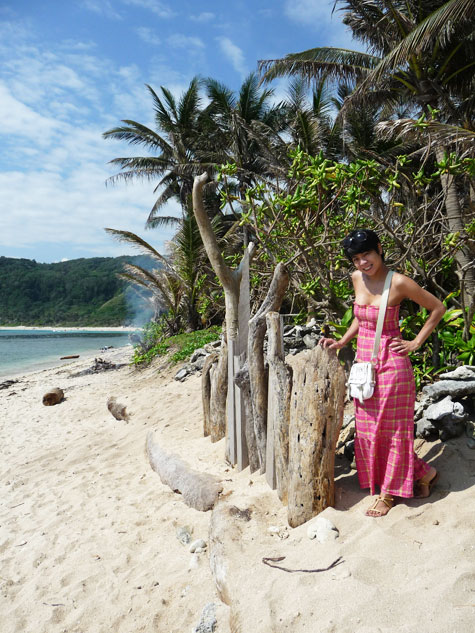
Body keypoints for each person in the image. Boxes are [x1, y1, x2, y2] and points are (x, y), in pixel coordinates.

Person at [320, 229, 445, 517]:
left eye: (367, 255)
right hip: (365, 367)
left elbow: (437, 308)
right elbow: (361, 320)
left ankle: (388, 495)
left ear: (379, 249)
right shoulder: (356, 279)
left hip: (393, 367)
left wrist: (415, 342)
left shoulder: (398, 282)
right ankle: (424, 473)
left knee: (392, 433)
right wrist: (342, 342)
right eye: (356, 259)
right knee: (367, 429)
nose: (363, 263)